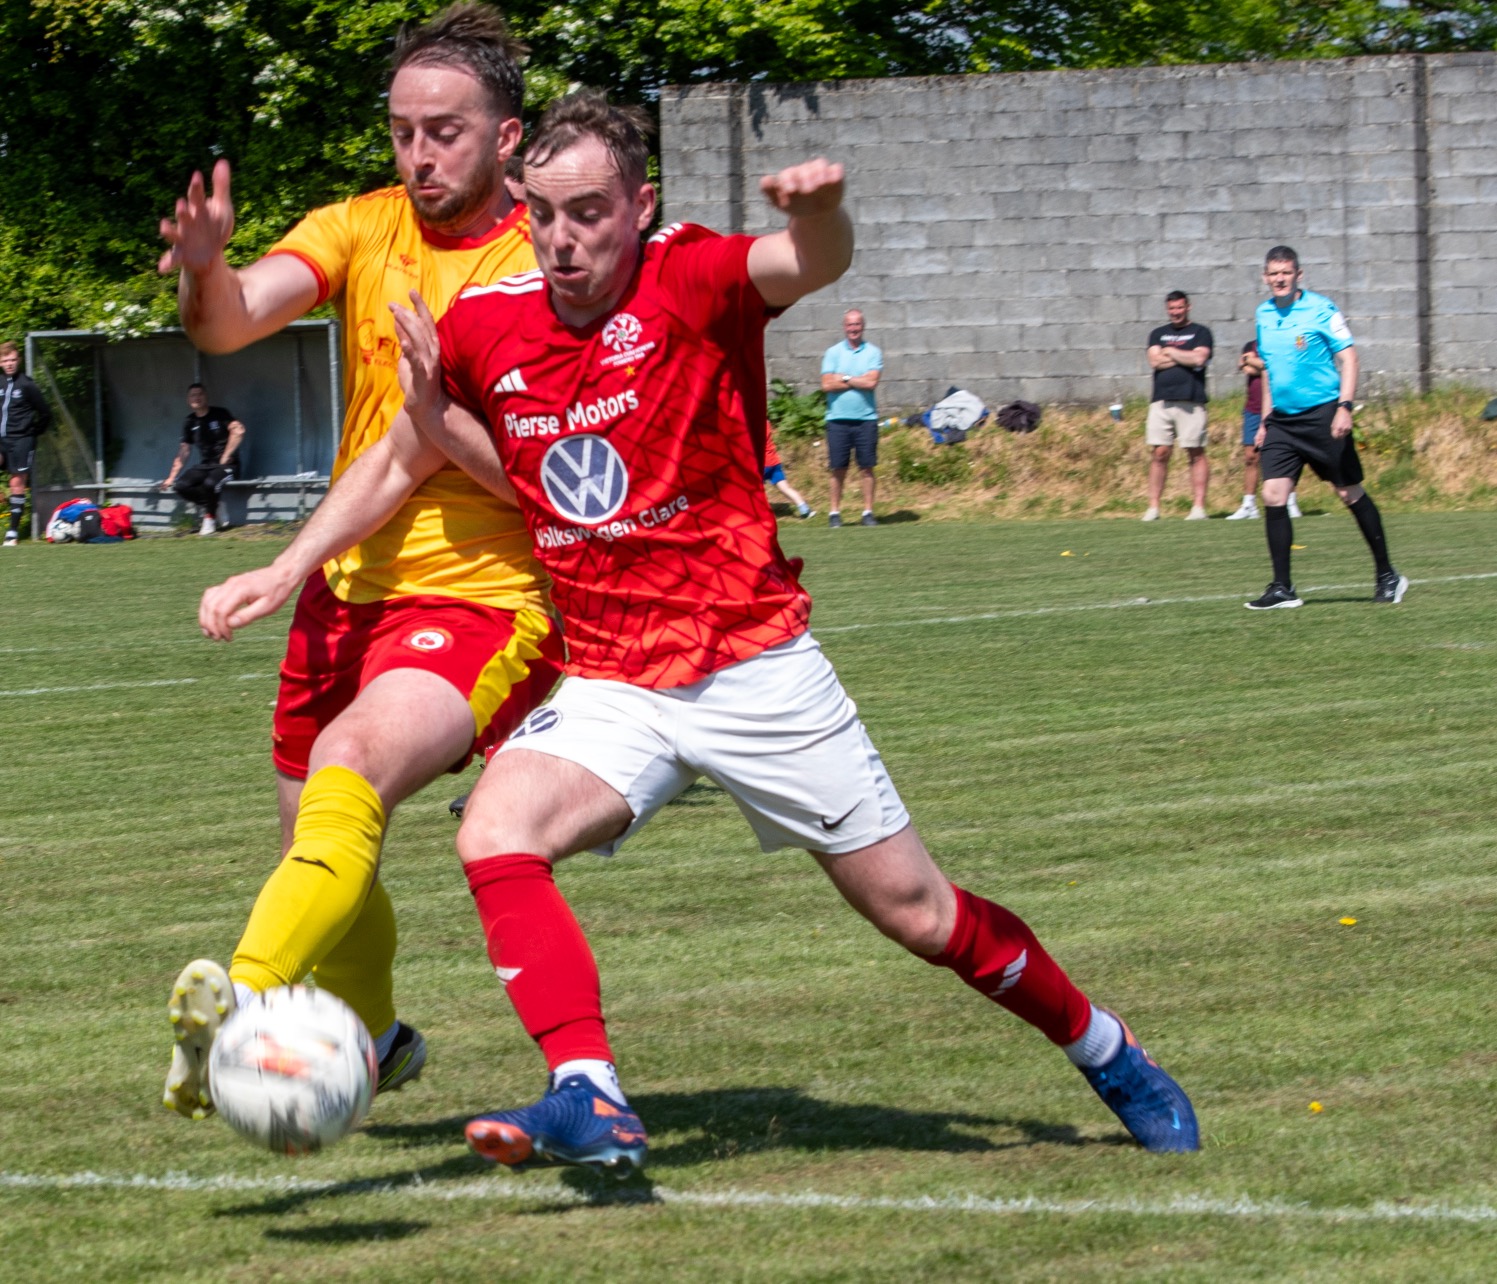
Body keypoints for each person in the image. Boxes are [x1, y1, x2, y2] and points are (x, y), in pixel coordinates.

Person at [381, 91, 1197, 1174]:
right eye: (544, 214)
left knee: (919, 915)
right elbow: (534, 486)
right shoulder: (486, 325)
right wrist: (432, 414)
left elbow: (809, 261)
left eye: (589, 213)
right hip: (615, 680)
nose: (563, 239)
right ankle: (588, 1092)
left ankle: (1106, 1048)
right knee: (494, 831)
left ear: (639, 206)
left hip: (752, 664)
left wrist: (820, 213)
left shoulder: (690, 276)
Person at [155, 3, 564, 1123]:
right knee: (321, 844)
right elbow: (229, 320)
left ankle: (242, 1000)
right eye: (402, 132)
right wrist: (205, 269)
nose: (419, 155)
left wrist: (434, 430)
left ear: (508, 137)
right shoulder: (360, 226)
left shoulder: (546, 262)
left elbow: (545, 482)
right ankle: (379, 1039)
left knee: (351, 766)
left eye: (445, 132)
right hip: (347, 587)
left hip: (483, 597)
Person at [1245, 246, 1406, 610]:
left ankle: (1387, 575)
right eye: (1274, 273)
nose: (1280, 279)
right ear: (1265, 277)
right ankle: (1282, 589)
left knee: (1349, 493)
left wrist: (1344, 407)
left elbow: (1349, 358)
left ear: (1298, 275)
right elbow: (1269, 369)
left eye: (1286, 272)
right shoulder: (1263, 314)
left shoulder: (1321, 309)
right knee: (1273, 494)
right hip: (1283, 421)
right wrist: (1266, 420)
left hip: (1323, 415)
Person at [1142, 291, 1212, 521]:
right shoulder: (1158, 333)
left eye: (1180, 308)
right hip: (1161, 401)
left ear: (1188, 307)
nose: (1176, 312)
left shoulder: (1201, 332)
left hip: (1191, 401)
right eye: (1172, 308)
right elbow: (1155, 361)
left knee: (1195, 452)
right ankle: (1153, 507)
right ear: (1167, 309)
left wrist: (1171, 352)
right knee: (1160, 452)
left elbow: (1199, 359)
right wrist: (1185, 357)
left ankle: (1198, 507)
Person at [821, 309, 882, 527]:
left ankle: (867, 513)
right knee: (838, 468)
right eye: (849, 325)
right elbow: (827, 385)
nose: (853, 329)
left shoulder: (873, 352)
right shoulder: (833, 353)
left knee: (867, 468)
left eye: (857, 324)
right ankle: (834, 513)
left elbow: (871, 383)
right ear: (844, 327)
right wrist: (858, 380)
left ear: (862, 326)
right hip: (837, 420)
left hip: (866, 420)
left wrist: (844, 378)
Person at [1226, 341, 1299, 522]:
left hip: (1280, 408)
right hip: (1253, 409)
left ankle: (1290, 502)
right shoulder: (1250, 345)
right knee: (1251, 456)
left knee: (1287, 455)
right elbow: (1245, 368)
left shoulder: (1281, 342)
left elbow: (1278, 368)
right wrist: (1259, 365)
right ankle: (1249, 505)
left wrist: (1252, 362)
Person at [161, 383, 244, 535]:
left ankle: (209, 519)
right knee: (181, 486)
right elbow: (184, 450)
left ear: (206, 396)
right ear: (188, 400)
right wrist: (171, 477)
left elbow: (239, 431)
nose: (196, 398)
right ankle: (215, 505)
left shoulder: (220, 414)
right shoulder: (190, 421)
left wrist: (226, 455)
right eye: (193, 395)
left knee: (210, 483)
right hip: (206, 465)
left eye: (200, 394)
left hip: (228, 466)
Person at [0, 341, 52, 546]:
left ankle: (12, 532)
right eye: (6, 360)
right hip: (1, 438)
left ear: (19, 360)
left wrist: (32, 432)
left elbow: (45, 413)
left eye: (13, 360)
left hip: (21, 440)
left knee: (16, 483)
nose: (9, 364)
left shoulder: (27, 385)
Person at [763, 421, 814, 518]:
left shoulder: (752, 424)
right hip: (774, 461)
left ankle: (758, 514)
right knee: (785, 488)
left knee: (754, 490)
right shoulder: (766, 422)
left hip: (763, 463)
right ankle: (805, 509)